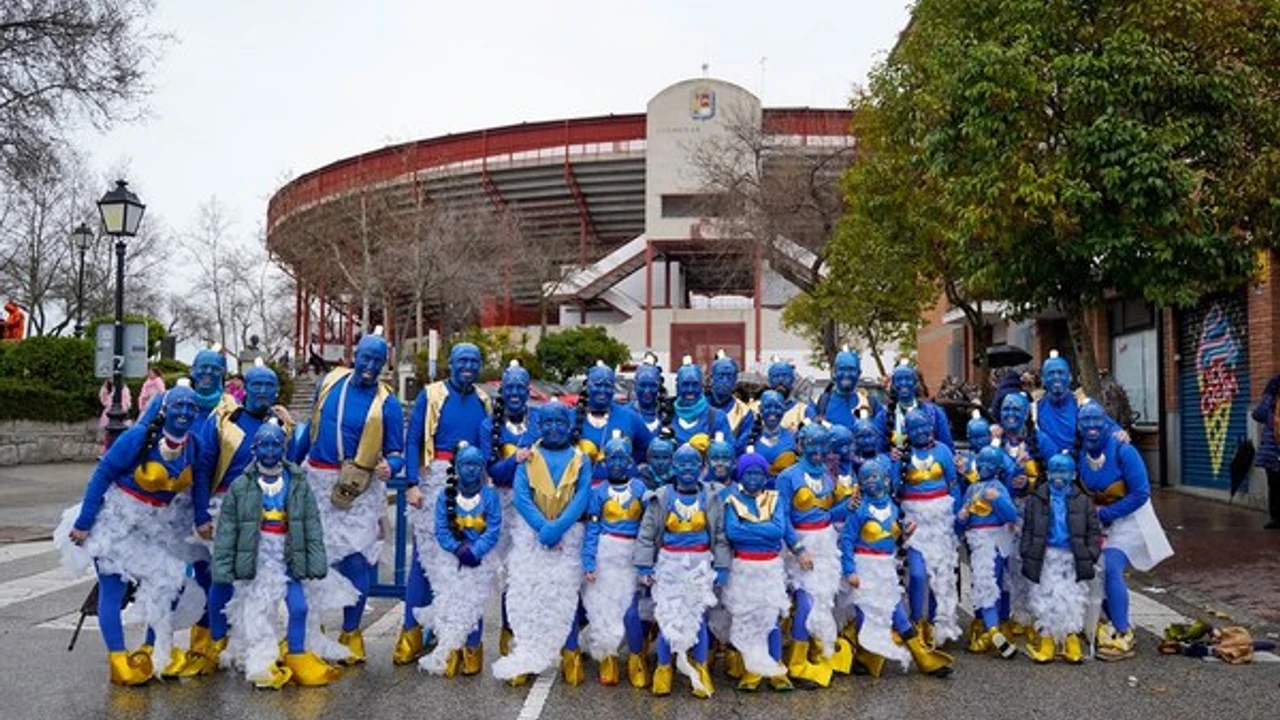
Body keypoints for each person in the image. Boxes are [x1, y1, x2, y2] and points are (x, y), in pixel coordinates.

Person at [54, 382, 202, 685]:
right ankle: (119, 661)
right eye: (178, 405)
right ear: (165, 409)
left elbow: (197, 487)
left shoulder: (194, 446)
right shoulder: (139, 437)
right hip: (117, 521)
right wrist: (84, 522)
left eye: (190, 406)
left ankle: (151, 650)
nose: (184, 412)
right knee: (114, 589)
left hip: (155, 527)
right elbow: (103, 473)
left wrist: (201, 519)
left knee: (168, 583)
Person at [294, 331, 405, 664]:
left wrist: (391, 465)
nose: (370, 367)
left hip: (360, 488)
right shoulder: (328, 383)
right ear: (354, 355)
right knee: (313, 559)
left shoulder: (389, 404)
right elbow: (308, 429)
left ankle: (352, 632)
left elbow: (397, 451)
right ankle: (313, 631)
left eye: (378, 361)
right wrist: (289, 465)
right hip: (317, 478)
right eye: (365, 358)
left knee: (355, 560)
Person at [213, 421, 345, 688]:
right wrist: (223, 567)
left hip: (287, 556)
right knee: (259, 611)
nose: (271, 450)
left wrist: (315, 559)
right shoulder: (241, 485)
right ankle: (261, 661)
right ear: (255, 448)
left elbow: (311, 523)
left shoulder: (297, 481)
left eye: (276, 444)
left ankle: (296, 654)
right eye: (265, 444)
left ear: (284, 448)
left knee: (299, 607)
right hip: (257, 558)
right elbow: (227, 530)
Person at [399, 343, 492, 665]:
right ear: (450, 364)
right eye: (462, 359)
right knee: (424, 564)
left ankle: (466, 638)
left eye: (474, 360)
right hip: (432, 480)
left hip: (471, 484)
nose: (468, 365)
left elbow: (487, 447)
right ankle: (411, 631)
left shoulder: (483, 400)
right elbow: (412, 440)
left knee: (466, 561)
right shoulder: (431, 394)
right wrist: (411, 482)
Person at [492, 402, 593, 686]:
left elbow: (581, 497)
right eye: (547, 422)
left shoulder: (581, 458)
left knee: (564, 596)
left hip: (567, 536)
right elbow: (521, 496)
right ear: (539, 425)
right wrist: (542, 528)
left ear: (570, 424)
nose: (554, 428)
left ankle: (570, 652)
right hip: (531, 538)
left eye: (560, 422)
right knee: (527, 597)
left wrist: (558, 528)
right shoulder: (529, 457)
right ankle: (525, 653)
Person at [840, 456, 954, 678]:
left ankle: (922, 657)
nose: (870, 482)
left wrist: (905, 533)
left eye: (875, 477)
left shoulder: (893, 507)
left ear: (886, 479)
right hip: (865, 568)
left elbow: (891, 537)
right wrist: (850, 570)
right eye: (865, 478)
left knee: (897, 611)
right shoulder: (858, 510)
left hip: (885, 567)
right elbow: (846, 541)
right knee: (868, 612)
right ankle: (867, 656)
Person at [1077, 401, 1173, 661]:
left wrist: (1105, 514)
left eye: (1097, 420)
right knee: (1093, 569)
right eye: (1085, 421)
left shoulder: (1124, 450)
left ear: (1105, 421)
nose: (1092, 426)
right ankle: (1107, 620)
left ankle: (1123, 631)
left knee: (1110, 567)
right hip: (1103, 523)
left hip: (1131, 521)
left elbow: (1141, 493)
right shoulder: (1082, 453)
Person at [634, 443, 728, 698]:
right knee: (668, 618)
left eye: (692, 463)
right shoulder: (661, 497)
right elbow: (646, 534)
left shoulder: (711, 497)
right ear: (674, 467)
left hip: (700, 566)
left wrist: (721, 566)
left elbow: (719, 535)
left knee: (698, 619)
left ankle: (700, 670)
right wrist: (644, 565)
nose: (687, 468)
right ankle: (664, 669)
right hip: (668, 565)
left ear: (701, 467)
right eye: (682, 463)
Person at [414, 442, 503, 677]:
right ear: (457, 467)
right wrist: (456, 548)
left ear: (482, 467)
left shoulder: (490, 496)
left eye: (476, 465)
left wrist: (476, 551)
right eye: (465, 465)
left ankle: (473, 650)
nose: (471, 470)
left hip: (479, 560)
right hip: (451, 560)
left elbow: (493, 529)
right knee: (450, 602)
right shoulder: (445, 496)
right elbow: (441, 528)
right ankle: (451, 649)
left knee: (472, 605)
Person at [721, 447, 806, 692]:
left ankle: (777, 668)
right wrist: (763, 529)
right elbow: (733, 532)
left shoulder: (775, 498)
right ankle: (752, 669)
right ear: (740, 476)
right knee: (748, 617)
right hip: (744, 566)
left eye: (759, 474)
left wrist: (751, 527)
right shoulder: (733, 499)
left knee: (771, 619)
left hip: (770, 566)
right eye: (748, 474)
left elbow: (779, 530)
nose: (754, 479)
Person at [775, 422, 850, 687]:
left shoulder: (829, 476)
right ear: (801, 444)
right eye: (812, 444)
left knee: (823, 600)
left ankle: (817, 653)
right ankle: (796, 662)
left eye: (822, 444)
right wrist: (797, 548)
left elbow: (829, 513)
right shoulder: (788, 476)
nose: (817, 450)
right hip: (800, 547)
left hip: (826, 544)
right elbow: (781, 517)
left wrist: (851, 502)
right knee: (805, 603)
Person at [581, 430, 649, 687]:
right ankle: (607, 659)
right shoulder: (598, 493)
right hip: (605, 559)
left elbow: (648, 528)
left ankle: (635, 659)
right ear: (605, 461)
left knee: (631, 613)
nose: (618, 464)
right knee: (604, 612)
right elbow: (592, 530)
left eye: (623, 458)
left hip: (631, 560)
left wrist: (647, 562)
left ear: (631, 461)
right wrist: (589, 561)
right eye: (612, 458)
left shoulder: (640, 489)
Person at [1021, 451, 1101, 664]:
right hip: (1045, 556)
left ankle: (1070, 640)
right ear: (1047, 474)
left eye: (1063, 471)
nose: (1058, 475)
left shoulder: (1083, 501)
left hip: (1073, 557)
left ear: (1073, 475)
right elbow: (1027, 529)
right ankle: (1047, 640)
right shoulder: (1036, 500)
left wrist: (1091, 554)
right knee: (1044, 598)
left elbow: (1094, 531)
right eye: (1054, 470)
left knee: (1071, 599)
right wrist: (1027, 551)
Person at [899, 407, 962, 648]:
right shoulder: (902, 456)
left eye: (924, 426)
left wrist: (957, 517)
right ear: (907, 431)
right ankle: (917, 623)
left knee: (942, 573)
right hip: (914, 521)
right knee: (916, 573)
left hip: (942, 520)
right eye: (914, 428)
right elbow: (895, 487)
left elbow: (953, 485)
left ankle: (939, 623)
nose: (921, 431)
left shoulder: (943, 452)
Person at [957, 442, 1019, 659]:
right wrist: (961, 518)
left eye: (990, 463)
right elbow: (960, 523)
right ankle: (988, 625)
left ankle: (993, 629)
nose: (984, 466)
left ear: (998, 467)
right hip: (976, 542)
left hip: (994, 541)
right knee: (987, 581)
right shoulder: (972, 488)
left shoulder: (997, 487)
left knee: (988, 582)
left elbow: (1011, 515)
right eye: (981, 461)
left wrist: (998, 499)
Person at [707, 350, 755, 451]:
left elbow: (741, 447)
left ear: (735, 380)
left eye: (729, 377)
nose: (725, 381)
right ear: (711, 378)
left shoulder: (745, 413)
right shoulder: (699, 406)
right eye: (721, 376)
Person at [1250, 373, 1280, 529]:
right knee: (1274, 485)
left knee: (1274, 486)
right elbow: (1257, 415)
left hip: (1273, 451)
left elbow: (1258, 414)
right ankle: (1276, 518)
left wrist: (1268, 397)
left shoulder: (1271, 407)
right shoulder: (1272, 408)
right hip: (1273, 451)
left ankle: (1276, 518)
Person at [754, 390, 798, 478]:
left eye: (777, 407)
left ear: (784, 410)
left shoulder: (792, 439)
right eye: (768, 407)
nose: (772, 411)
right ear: (760, 409)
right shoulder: (750, 437)